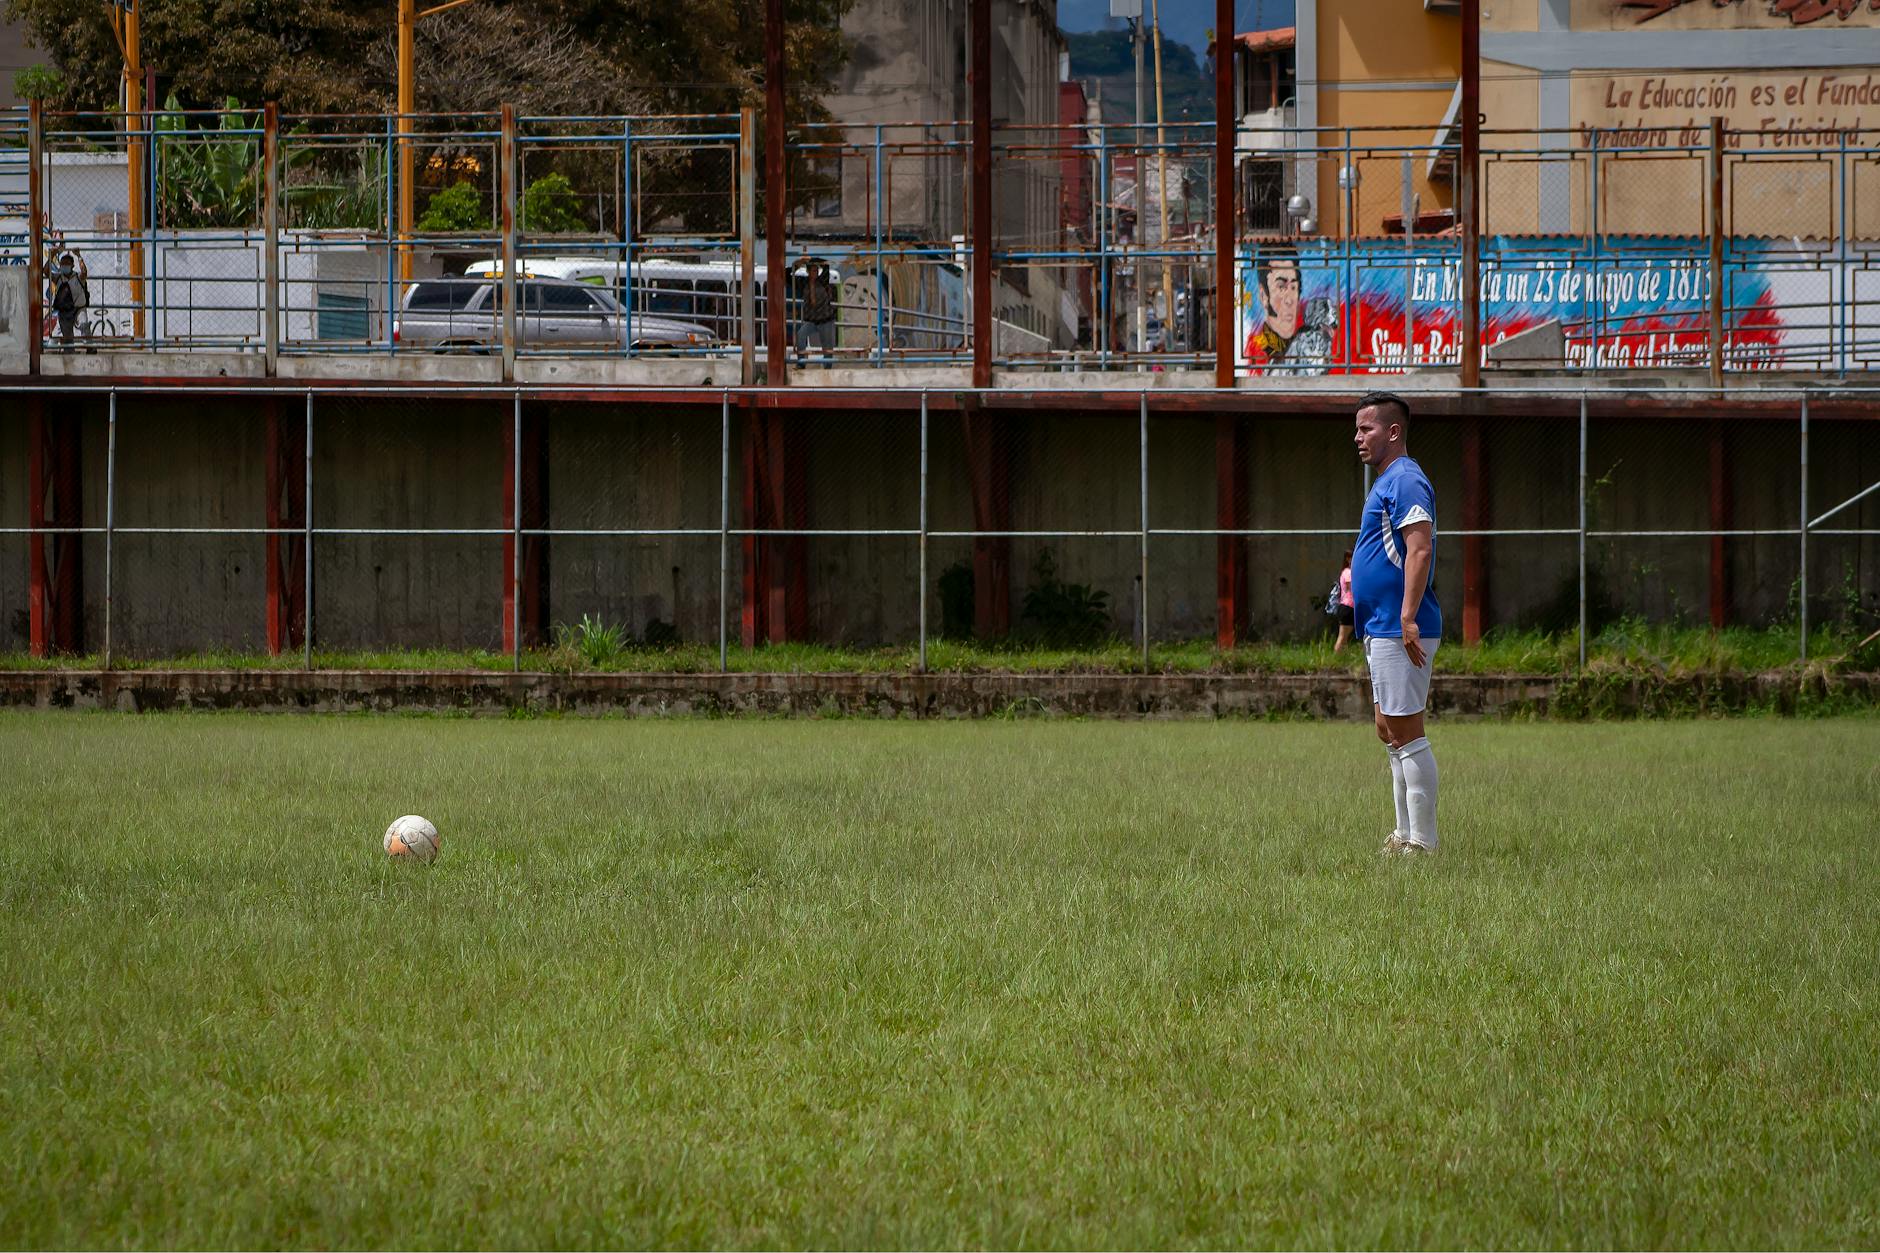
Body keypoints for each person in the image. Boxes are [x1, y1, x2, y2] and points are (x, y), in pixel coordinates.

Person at [1349, 391, 1442, 855]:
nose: (1358, 438)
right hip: (1380, 626)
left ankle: (1422, 844)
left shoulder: (1404, 478)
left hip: (1398, 625)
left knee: (1407, 732)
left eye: (1366, 429)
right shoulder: (1387, 480)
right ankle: (1403, 836)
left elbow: (1419, 548)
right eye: (1357, 429)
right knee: (1388, 730)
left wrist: (1406, 616)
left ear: (1393, 431)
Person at [44, 237, 90, 349]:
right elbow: (45, 271)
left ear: (72, 266)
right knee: (67, 338)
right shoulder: (58, 277)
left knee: (84, 324)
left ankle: (90, 347)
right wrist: (51, 256)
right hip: (65, 311)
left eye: (67, 264)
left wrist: (79, 256)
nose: (64, 266)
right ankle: (69, 354)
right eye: (62, 264)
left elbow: (84, 272)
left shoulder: (78, 277)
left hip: (79, 308)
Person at [794, 258, 838, 367]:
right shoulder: (803, 282)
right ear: (808, 272)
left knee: (827, 347)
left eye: (816, 270)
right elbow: (788, 274)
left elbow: (826, 266)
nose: (816, 273)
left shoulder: (822, 279)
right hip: (811, 320)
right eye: (813, 271)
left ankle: (827, 368)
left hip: (825, 318)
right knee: (800, 335)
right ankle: (801, 363)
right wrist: (801, 262)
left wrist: (815, 259)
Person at [1333, 550, 1355, 653]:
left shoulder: (1348, 571)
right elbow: (1353, 588)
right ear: (1348, 558)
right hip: (1348, 607)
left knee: (1345, 638)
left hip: (1348, 607)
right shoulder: (1348, 572)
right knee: (1342, 637)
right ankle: (1336, 657)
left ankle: (1342, 657)